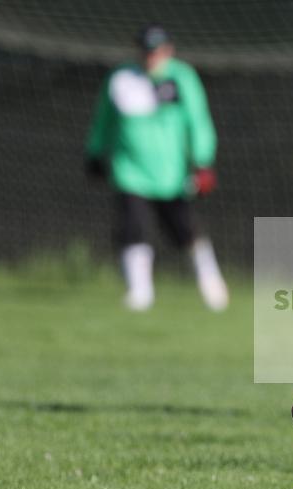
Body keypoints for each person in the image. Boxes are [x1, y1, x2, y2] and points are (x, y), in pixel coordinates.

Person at [85, 24, 228, 312]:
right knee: (132, 226)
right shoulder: (122, 78)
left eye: (157, 50)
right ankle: (140, 292)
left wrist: (202, 162)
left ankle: (210, 283)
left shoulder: (182, 77)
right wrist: (96, 151)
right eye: (147, 50)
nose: (152, 56)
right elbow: (104, 118)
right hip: (130, 170)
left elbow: (197, 121)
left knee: (184, 231)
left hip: (170, 174)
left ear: (168, 50)